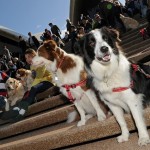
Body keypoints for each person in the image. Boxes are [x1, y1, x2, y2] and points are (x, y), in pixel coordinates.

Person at [4, 48, 54, 122]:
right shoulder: (32, 65)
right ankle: (18, 110)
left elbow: (38, 77)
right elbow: (33, 78)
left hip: (48, 81)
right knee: (27, 92)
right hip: (39, 82)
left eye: (28, 57)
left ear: (33, 55)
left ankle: (21, 113)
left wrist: (29, 87)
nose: (27, 59)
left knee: (33, 89)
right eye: (26, 58)